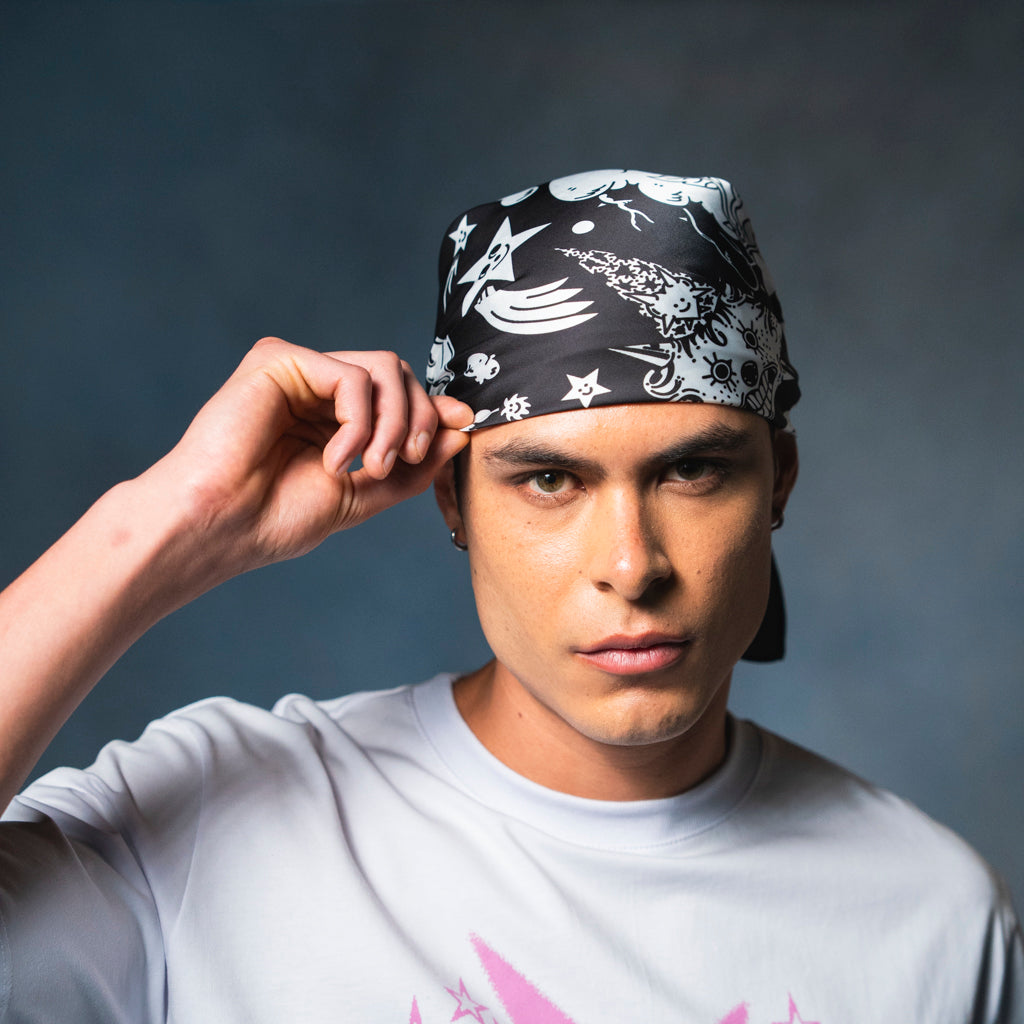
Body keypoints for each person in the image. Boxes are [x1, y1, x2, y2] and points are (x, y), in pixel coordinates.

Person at [0, 170, 1019, 1023]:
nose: (631, 565)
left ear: (779, 482)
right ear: (454, 497)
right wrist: (161, 524)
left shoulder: (932, 918)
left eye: (693, 471)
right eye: (549, 479)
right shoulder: (206, 828)